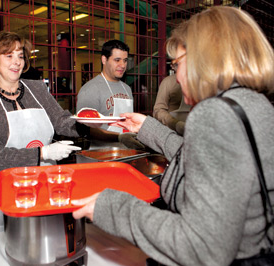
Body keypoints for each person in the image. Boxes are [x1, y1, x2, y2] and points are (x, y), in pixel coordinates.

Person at [72, 6, 274, 265]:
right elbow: (203, 158)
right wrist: (147, 128)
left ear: (205, 59)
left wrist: (112, 207)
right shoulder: (255, 104)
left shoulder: (214, 113)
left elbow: (202, 248)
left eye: (177, 64)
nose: (176, 78)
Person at [0, 31, 93, 237]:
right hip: (0, 186)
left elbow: (61, 121)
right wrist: (42, 154)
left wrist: (87, 123)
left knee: (44, 239)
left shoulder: (37, 89)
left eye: (20, 55)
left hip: (41, 181)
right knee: (8, 243)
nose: (16, 62)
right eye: (9, 56)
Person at [76, 39, 144, 150]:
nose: (122, 65)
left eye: (125, 60)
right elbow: (87, 129)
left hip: (126, 152)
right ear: (104, 59)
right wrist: (119, 137)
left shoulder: (127, 89)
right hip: (101, 156)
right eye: (117, 60)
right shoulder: (90, 89)